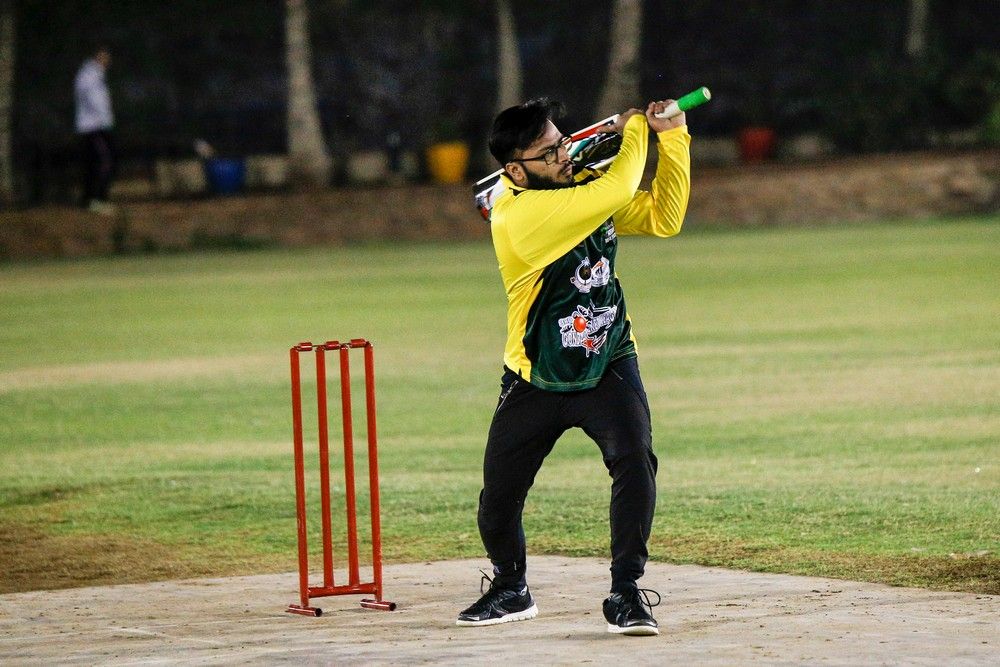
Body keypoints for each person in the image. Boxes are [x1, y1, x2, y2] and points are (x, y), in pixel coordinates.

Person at [456, 98, 691, 636]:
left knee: (635, 462)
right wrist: (637, 129)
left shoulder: (580, 188)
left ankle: (626, 593)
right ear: (515, 170)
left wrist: (674, 138)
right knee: (498, 498)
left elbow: (664, 218)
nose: (564, 154)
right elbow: (618, 188)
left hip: (609, 359)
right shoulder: (518, 215)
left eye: (562, 142)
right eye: (548, 152)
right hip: (535, 373)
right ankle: (510, 588)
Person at [74, 45, 116, 215]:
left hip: (97, 126)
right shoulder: (90, 75)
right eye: (105, 57)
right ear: (98, 57)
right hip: (94, 127)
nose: (108, 61)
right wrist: (105, 121)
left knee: (94, 163)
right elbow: (95, 101)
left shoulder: (94, 74)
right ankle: (97, 199)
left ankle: (90, 199)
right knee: (103, 161)